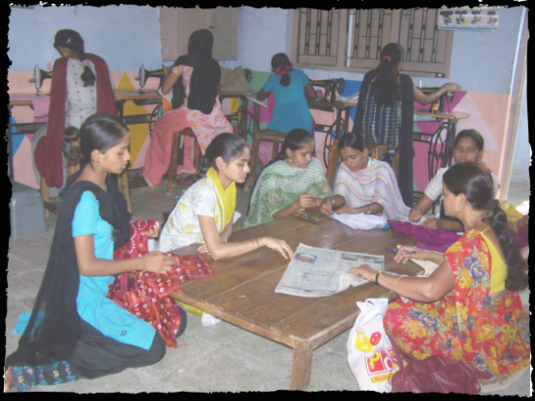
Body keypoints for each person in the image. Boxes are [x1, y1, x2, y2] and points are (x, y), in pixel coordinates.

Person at [5, 114, 183, 392]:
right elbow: (86, 265)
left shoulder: (102, 181)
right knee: (153, 349)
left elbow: (110, 232)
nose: (128, 157)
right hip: (84, 297)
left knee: (176, 318)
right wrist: (142, 262)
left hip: (106, 287)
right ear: (97, 155)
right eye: (121, 151)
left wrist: (141, 231)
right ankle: (42, 370)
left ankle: (89, 332)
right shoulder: (85, 201)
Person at [348, 163, 530, 376]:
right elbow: (470, 267)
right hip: (497, 321)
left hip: (482, 338)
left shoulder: (471, 242)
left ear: (462, 200)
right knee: (407, 296)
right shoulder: (487, 225)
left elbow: (430, 290)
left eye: (445, 195)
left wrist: (375, 275)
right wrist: (427, 255)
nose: (443, 200)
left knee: (392, 316)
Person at [154, 133, 295, 263]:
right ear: (220, 163)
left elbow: (228, 226)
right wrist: (263, 241)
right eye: (241, 164)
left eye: (247, 163)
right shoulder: (204, 193)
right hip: (171, 257)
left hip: (195, 251)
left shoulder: (228, 186)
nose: (247, 169)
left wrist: (221, 240)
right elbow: (216, 253)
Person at [353, 42, 461, 207]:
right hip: (390, 146)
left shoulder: (369, 77)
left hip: (365, 140)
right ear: (400, 63)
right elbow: (425, 100)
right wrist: (445, 88)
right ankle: (395, 199)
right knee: (406, 149)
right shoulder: (403, 81)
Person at [143, 29, 233, 187]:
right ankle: (187, 166)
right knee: (184, 128)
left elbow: (165, 89)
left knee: (159, 126)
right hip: (212, 117)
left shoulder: (183, 61)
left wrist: (169, 74)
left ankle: (153, 175)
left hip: (190, 114)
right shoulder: (214, 65)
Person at [33, 29, 117, 194]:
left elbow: (57, 100)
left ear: (61, 49)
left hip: (76, 131)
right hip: (101, 129)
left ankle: (55, 190)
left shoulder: (61, 65)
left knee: (39, 138)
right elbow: (111, 95)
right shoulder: (100, 62)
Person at [409, 129, 500, 232]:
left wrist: (444, 224)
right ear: (453, 151)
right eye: (459, 148)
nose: (463, 153)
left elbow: (482, 221)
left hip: (472, 233)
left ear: (480, 154)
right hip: (443, 230)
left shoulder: (487, 179)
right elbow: (421, 206)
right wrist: (416, 212)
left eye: (470, 149)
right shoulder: (444, 174)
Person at [242, 129, 332, 228]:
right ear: (289, 152)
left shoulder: (314, 165)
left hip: (304, 217)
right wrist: (296, 205)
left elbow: (326, 195)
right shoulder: (272, 175)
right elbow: (274, 216)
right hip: (272, 225)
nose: (309, 158)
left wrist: (314, 203)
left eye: (311, 153)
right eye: (304, 154)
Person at [319, 132, 410, 221]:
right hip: (355, 219)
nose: (349, 162)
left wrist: (356, 211)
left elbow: (381, 204)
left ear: (365, 152)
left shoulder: (382, 170)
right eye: (344, 159)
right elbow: (341, 195)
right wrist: (330, 201)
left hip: (383, 219)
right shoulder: (345, 167)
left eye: (353, 157)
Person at [256, 53, 317, 134]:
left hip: (280, 126)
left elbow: (259, 97)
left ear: (273, 68)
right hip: (303, 125)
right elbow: (313, 96)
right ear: (289, 63)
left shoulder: (272, 79)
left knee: (272, 127)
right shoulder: (299, 73)